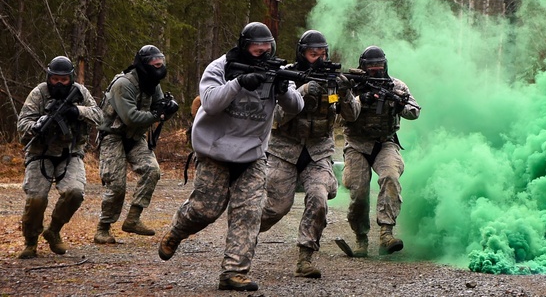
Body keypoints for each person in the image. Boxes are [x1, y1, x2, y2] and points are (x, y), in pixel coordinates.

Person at [158, 22, 304, 292]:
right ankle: (177, 231)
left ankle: (234, 272)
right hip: (215, 152)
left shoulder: (278, 70)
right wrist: (239, 83)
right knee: (205, 210)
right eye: (256, 49)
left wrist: (284, 89)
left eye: (267, 49)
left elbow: (296, 106)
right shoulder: (220, 68)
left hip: (252, 155)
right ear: (244, 46)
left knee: (248, 213)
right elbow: (211, 104)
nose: (262, 53)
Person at [259, 30, 360, 278]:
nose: (319, 58)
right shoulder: (286, 76)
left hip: (318, 152)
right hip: (285, 150)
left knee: (318, 197)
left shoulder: (331, 80)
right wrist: (302, 91)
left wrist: (345, 92)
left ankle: (305, 257)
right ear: (302, 53)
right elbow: (276, 118)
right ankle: (243, 235)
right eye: (313, 54)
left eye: (322, 54)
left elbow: (352, 116)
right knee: (276, 208)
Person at [16, 56, 102, 259]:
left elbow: (99, 115)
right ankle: (30, 241)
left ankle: (53, 230)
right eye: (55, 79)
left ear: (71, 78)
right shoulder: (39, 93)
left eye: (64, 80)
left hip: (70, 152)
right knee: (36, 199)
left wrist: (76, 111)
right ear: (49, 77)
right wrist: (37, 126)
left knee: (75, 192)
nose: (59, 83)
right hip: (40, 153)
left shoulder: (80, 92)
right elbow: (22, 124)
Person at [94, 44, 179, 244]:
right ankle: (103, 228)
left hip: (136, 137)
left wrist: (168, 109)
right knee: (116, 186)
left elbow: (158, 109)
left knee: (152, 170)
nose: (159, 66)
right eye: (154, 63)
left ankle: (133, 219)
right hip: (113, 135)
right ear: (143, 64)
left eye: (161, 62)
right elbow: (130, 117)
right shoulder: (124, 84)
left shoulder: (153, 82)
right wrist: (156, 115)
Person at [341, 45, 420, 256]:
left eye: (380, 65)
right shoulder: (352, 85)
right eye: (371, 66)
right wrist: (358, 100)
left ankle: (386, 233)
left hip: (385, 143)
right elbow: (340, 116)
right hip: (357, 144)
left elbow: (414, 111)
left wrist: (398, 102)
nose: (376, 70)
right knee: (359, 193)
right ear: (363, 66)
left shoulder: (396, 85)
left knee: (391, 177)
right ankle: (361, 238)